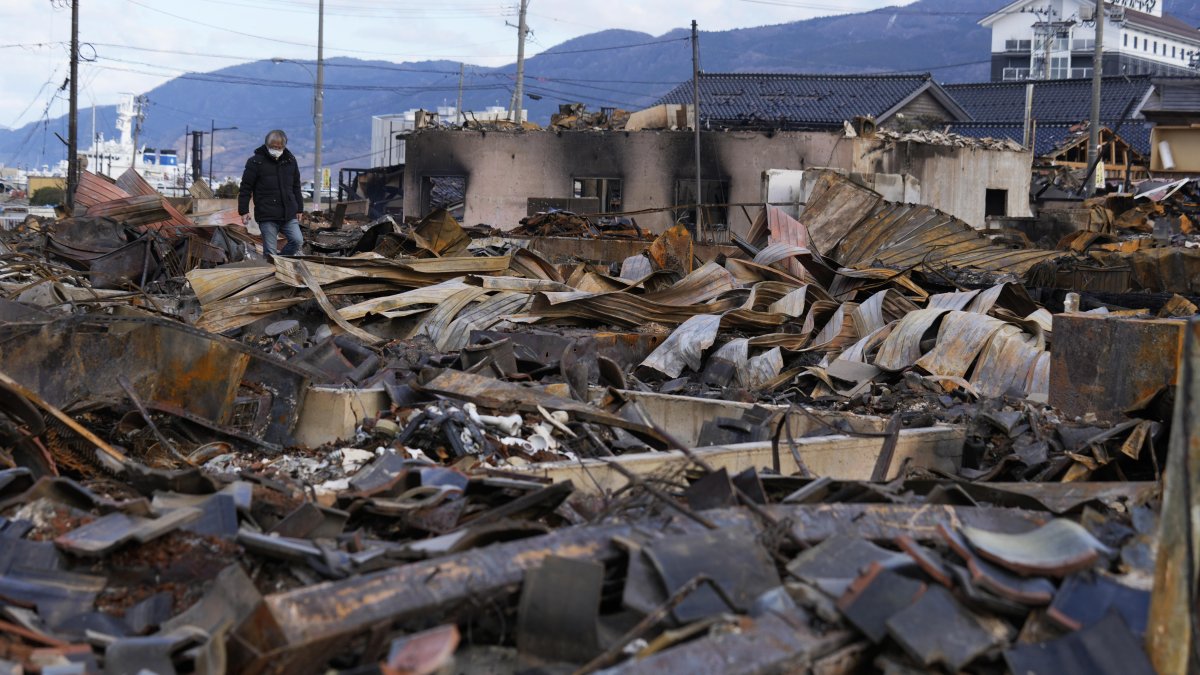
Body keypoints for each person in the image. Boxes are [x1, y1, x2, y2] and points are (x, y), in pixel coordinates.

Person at [238, 129, 305, 258]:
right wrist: (243, 210)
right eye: (274, 147)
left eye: (280, 147)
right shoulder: (255, 162)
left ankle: (281, 262)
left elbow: (296, 186)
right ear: (267, 145)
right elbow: (246, 188)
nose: (278, 150)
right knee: (270, 252)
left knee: (297, 241)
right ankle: (272, 273)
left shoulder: (290, 161)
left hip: (288, 213)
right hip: (267, 214)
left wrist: (299, 208)